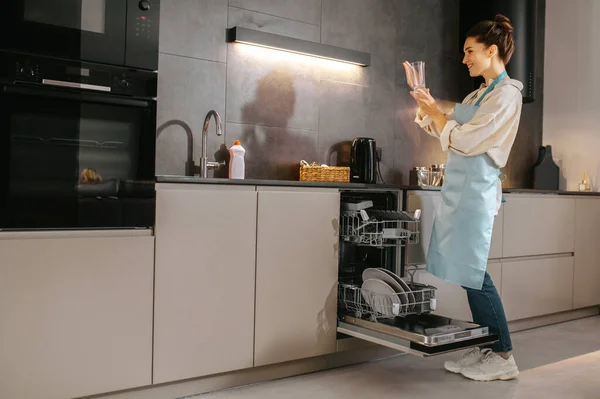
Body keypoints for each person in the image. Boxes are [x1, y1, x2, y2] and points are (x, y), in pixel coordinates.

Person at [404, 14, 522, 382]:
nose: (464, 59)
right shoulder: (477, 94)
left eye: (470, 51)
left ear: (491, 51)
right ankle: (488, 347)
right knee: (467, 274)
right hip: (460, 191)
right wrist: (425, 104)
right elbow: (443, 124)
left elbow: (466, 139)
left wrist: (439, 116)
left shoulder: (507, 95)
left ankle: (503, 354)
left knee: (474, 273)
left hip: (478, 192)